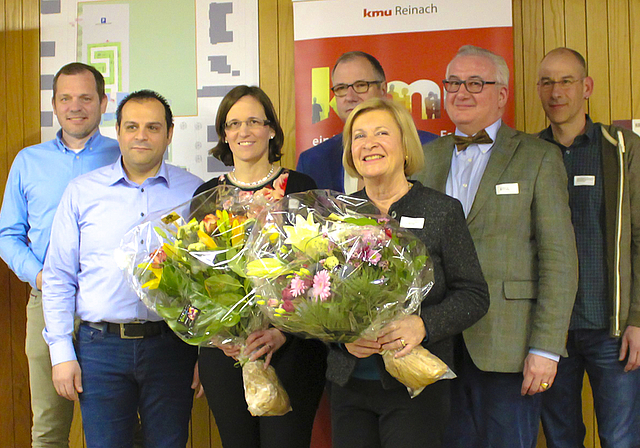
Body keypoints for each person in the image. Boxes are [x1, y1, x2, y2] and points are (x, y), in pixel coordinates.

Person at [416, 45, 579, 448]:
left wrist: (547, 348)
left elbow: (559, 260)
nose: (462, 92)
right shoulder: (425, 159)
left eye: (476, 83)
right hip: (437, 347)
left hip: (509, 347)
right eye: (453, 83)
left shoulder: (538, 157)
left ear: (502, 94)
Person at [42, 90, 203, 448]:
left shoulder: (194, 193)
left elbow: (204, 282)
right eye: (132, 126)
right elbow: (58, 278)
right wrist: (61, 352)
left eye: (152, 127)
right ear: (118, 131)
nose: (141, 136)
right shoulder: (82, 192)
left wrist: (201, 348)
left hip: (171, 347)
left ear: (170, 133)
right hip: (100, 349)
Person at [327, 97, 490, 448]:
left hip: (417, 384)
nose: (369, 144)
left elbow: (474, 295)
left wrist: (423, 326)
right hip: (349, 384)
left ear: (405, 147)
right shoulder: (337, 217)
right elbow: (314, 295)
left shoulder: (441, 211)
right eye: (358, 136)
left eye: (382, 133)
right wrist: (342, 336)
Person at [194, 85, 327, 448]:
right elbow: (195, 280)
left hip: (291, 349)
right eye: (233, 123)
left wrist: (284, 332)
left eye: (254, 121)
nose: (244, 131)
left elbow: (321, 273)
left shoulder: (301, 187)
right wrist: (217, 337)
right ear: (224, 134)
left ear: (271, 129)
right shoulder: (206, 195)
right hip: (227, 356)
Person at [0, 62, 120, 448]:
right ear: (54, 105)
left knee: (118, 427)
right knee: (49, 429)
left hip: (110, 306)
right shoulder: (28, 161)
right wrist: (40, 277)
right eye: (66, 98)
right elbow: (8, 235)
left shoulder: (124, 157)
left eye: (86, 98)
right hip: (47, 304)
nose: (75, 107)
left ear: (103, 103)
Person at [536, 47, 640, 448]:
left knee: (620, 438)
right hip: (550, 331)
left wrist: (637, 318)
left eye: (566, 81)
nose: (556, 91)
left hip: (611, 328)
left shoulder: (622, 149)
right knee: (561, 438)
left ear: (587, 87)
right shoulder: (528, 155)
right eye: (546, 82)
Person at [296, 51, 437, 193]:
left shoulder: (433, 147)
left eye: (361, 85)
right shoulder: (312, 162)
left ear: (383, 89)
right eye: (341, 88)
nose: (350, 97)